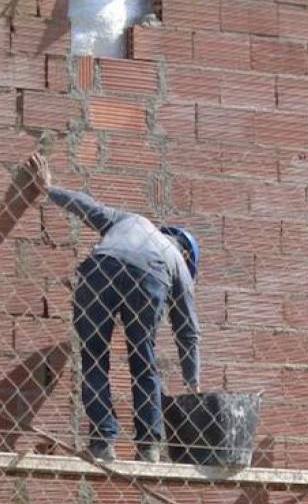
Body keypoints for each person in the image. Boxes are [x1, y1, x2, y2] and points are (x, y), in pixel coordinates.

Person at [26, 153, 201, 463]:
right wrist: (192, 380)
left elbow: (86, 207)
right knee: (142, 360)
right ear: (186, 253)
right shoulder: (178, 261)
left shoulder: (131, 221)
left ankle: (102, 441)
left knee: (93, 357)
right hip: (150, 275)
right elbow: (187, 330)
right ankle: (148, 447)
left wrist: (48, 189)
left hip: (100, 269)